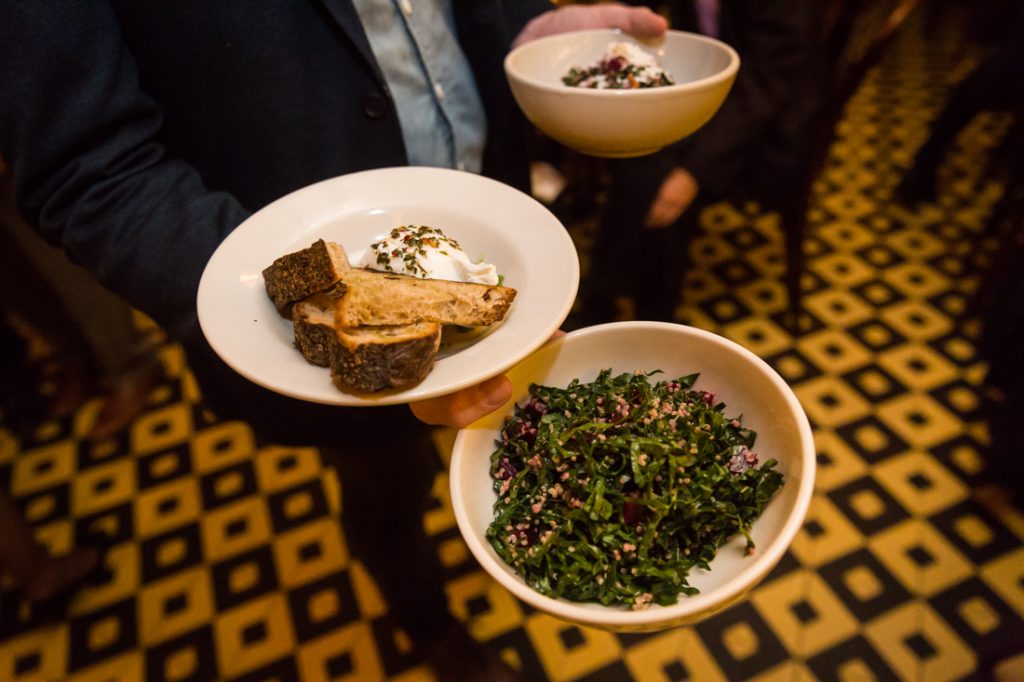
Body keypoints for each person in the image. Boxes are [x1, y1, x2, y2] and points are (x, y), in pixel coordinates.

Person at [0, 3, 666, 679]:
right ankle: (431, 630)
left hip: (489, 218)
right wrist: (264, 295)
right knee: (388, 493)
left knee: (517, 440)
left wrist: (521, 35)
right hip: (315, 296)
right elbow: (89, 167)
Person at [570, 0, 825, 324]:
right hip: (714, 95)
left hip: (771, 128)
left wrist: (693, 173)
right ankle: (608, 299)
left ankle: (646, 316)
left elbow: (766, 86)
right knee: (639, 145)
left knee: (657, 178)